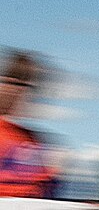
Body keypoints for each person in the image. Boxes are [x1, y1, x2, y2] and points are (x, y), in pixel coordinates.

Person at [0, 50, 60, 198]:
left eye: (27, 86)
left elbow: (47, 188)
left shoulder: (34, 141)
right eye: (13, 82)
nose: (19, 92)